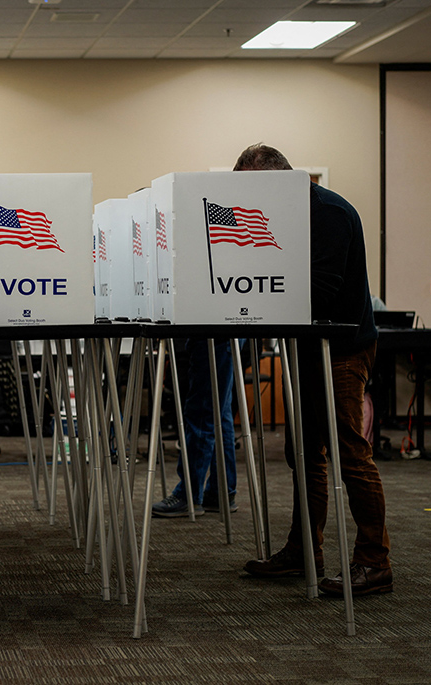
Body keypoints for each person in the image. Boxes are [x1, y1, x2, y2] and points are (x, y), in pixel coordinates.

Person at [236, 144, 392, 596]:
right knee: (301, 452)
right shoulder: (289, 213)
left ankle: (374, 561)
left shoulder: (328, 213)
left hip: (342, 349)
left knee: (349, 453)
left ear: (278, 180)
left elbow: (321, 291)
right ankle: (305, 549)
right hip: (306, 349)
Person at [152, 338, 239, 518]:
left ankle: (189, 494)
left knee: (202, 411)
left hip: (211, 331)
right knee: (220, 413)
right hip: (227, 329)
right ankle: (221, 491)